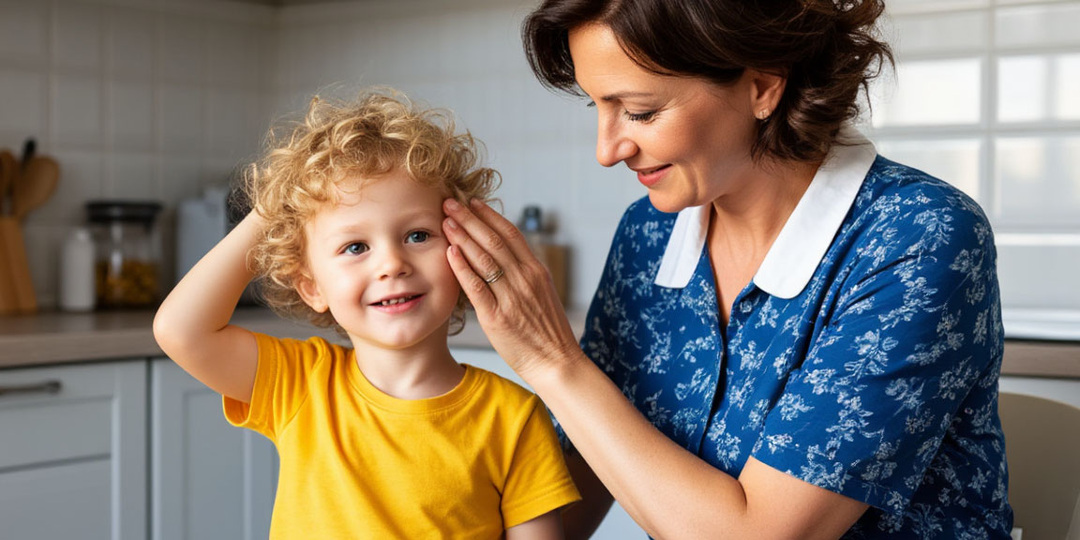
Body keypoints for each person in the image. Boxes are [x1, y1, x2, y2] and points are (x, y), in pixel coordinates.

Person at [438, 0, 1012, 538]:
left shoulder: (917, 235)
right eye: (599, 106)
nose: (607, 149)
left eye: (639, 111)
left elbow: (758, 533)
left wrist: (551, 361)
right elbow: (577, 481)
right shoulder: (649, 232)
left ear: (762, 86)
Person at [153, 89, 580, 539]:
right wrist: (273, 208)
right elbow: (181, 331)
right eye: (355, 247)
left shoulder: (513, 417)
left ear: (463, 247)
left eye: (417, 235)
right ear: (313, 287)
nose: (392, 264)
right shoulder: (300, 384)